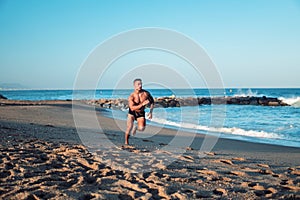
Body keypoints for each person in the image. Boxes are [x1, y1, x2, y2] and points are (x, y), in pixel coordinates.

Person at [125, 78, 154, 145]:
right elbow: (132, 108)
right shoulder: (132, 96)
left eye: (141, 84)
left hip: (140, 113)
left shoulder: (146, 93)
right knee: (129, 127)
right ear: (134, 85)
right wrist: (142, 104)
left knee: (142, 128)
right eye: (138, 84)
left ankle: (136, 128)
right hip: (132, 113)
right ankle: (126, 142)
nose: (140, 86)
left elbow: (152, 102)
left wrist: (151, 112)